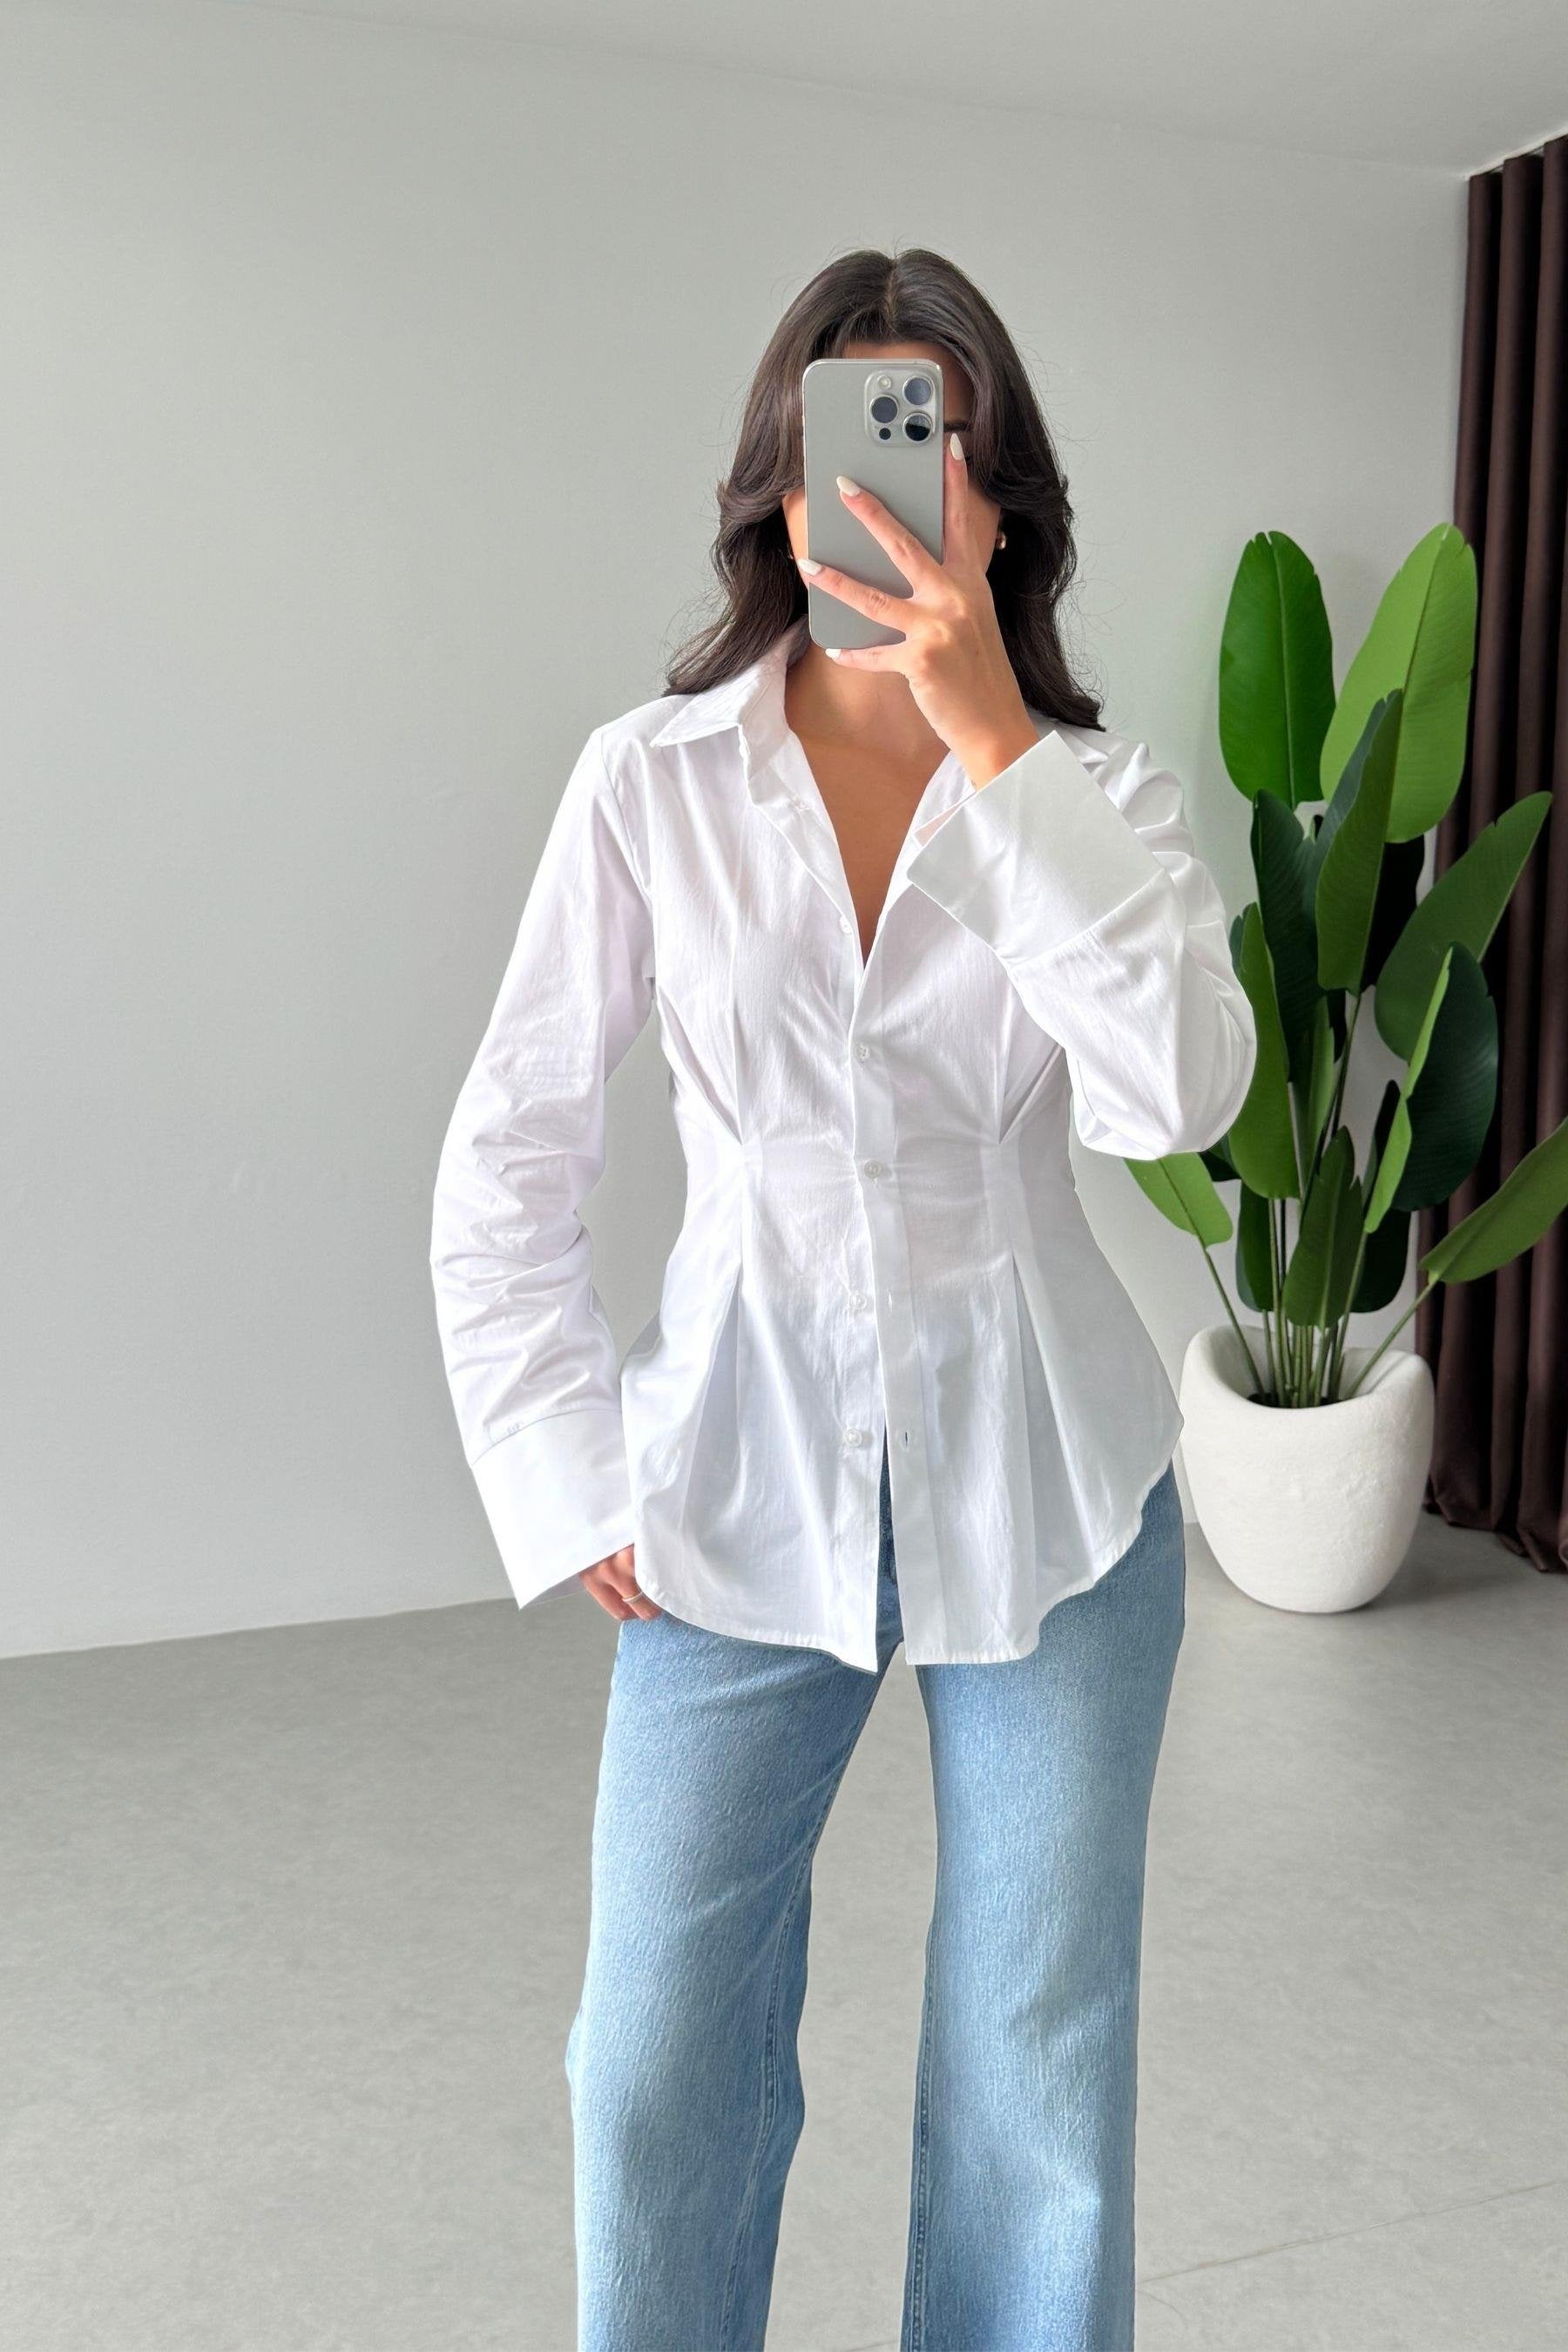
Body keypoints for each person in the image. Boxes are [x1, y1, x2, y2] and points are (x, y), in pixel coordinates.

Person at [429, 247, 1258, 2352]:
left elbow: (1185, 1095)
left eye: (936, 437)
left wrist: (997, 748)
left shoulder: (1103, 799)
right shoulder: (650, 782)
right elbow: (510, 1152)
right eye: (851, 435)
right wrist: (564, 1467)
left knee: (1038, 2076)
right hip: (728, 1480)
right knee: (649, 2061)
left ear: (1000, 497)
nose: (892, 483)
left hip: (1059, 1496)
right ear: (783, 482)